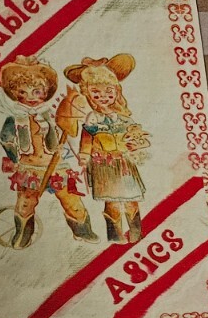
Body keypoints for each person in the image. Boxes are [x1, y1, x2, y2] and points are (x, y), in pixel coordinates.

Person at [0, 55, 96, 247]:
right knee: (26, 202)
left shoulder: (50, 116)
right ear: (15, 93)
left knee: (71, 199)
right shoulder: (15, 118)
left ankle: (83, 231)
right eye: (23, 92)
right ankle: (23, 235)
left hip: (56, 165)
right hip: (30, 167)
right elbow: (6, 139)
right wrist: (15, 158)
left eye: (36, 91)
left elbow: (66, 132)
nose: (30, 97)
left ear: (46, 91)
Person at [58, 54, 150, 243]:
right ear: (87, 93)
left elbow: (136, 136)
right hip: (104, 165)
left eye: (109, 92)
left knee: (131, 201)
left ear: (117, 91)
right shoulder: (93, 118)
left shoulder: (123, 118)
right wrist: (84, 155)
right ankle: (115, 236)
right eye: (96, 92)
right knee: (112, 203)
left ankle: (136, 233)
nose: (103, 97)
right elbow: (87, 138)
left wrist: (136, 145)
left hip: (124, 164)